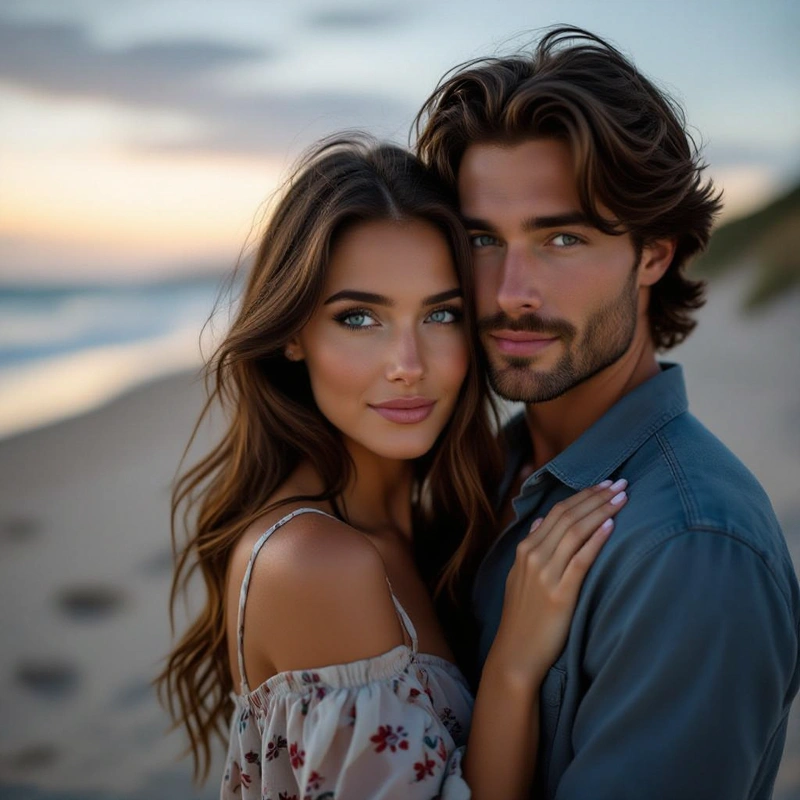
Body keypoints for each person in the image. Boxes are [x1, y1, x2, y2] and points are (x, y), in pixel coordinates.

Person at [156, 136, 629, 799]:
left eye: (441, 314)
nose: (408, 362)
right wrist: (515, 666)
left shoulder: (428, 528)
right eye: (360, 317)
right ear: (294, 333)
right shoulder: (317, 564)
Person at [415, 25, 800, 800]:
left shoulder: (692, 551)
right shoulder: (485, 473)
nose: (509, 290)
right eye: (483, 238)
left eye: (562, 237)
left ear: (654, 253)